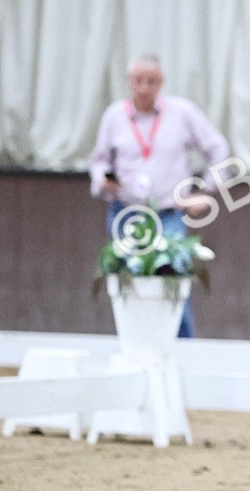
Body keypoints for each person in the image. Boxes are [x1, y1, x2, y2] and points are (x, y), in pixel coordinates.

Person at [89, 53, 229, 338]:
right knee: (127, 283)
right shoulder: (114, 117)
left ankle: (181, 348)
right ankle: (134, 347)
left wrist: (204, 191)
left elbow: (218, 150)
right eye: (139, 81)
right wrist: (103, 180)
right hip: (125, 214)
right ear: (129, 82)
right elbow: (99, 161)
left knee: (173, 283)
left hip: (169, 215)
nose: (144, 88)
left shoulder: (182, 113)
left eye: (151, 81)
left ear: (161, 82)